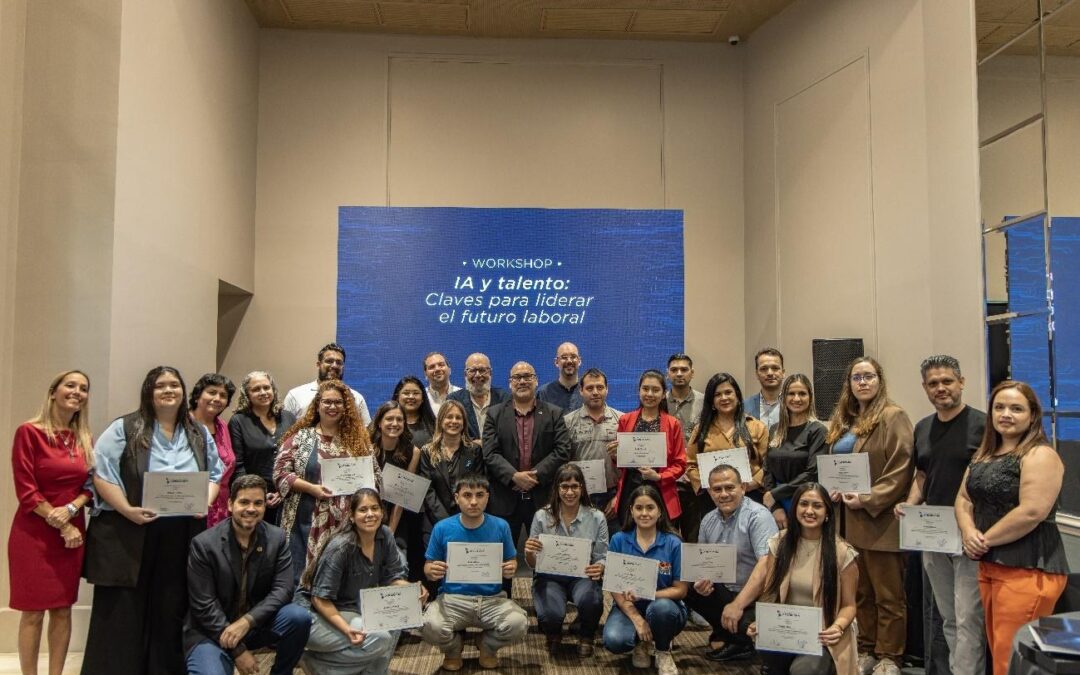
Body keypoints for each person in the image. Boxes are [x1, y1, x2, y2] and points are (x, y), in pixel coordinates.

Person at [82, 366, 224, 675]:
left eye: (175, 384)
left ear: (184, 392)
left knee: (170, 607)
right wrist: (127, 509)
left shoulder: (198, 431)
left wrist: (205, 501)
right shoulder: (125, 427)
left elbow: (215, 472)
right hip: (130, 529)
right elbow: (101, 474)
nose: (169, 390)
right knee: (123, 611)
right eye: (161, 385)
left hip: (182, 531)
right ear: (149, 391)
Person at [955, 380, 1068, 675]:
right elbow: (964, 498)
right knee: (998, 653)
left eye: (1016, 409)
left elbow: (1032, 511)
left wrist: (983, 540)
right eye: (999, 407)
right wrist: (968, 533)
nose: (1006, 414)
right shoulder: (984, 454)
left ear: (1032, 415)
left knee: (1011, 659)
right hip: (990, 565)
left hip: (1029, 568)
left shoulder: (1040, 455)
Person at [893, 356, 986, 675]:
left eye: (947, 381)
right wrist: (909, 504)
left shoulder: (982, 425)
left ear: (961, 382)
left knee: (968, 618)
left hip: (969, 535)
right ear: (925, 388)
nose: (941, 388)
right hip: (933, 536)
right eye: (933, 383)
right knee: (948, 617)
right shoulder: (922, 428)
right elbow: (922, 475)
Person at [824, 356, 912, 675]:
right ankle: (866, 648)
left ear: (879, 380)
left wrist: (868, 498)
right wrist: (831, 490)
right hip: (847, 520)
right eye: (856, 377)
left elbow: (901, 468)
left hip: (881, 520)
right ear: (848, 384)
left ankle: (890, 655)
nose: (863, 382)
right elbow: (835, 466)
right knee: (860, 592)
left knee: (888, 595)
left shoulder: (893, 416)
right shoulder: (844, 421)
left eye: (869, 376)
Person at [8, 371, 94, 675]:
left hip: (72, 532)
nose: (77, 392)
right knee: (32, 613)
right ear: (53, 391)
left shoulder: (84, 438)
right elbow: (26, 490)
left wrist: (72, 509)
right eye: (70, 385)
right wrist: (61, 522)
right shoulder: (29, 432)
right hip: (34, 532)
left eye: (83, 388)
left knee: (62, 609)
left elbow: (91, 486)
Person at [184, 475, 311, 675]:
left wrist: (247, 621)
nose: (251, 509)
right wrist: (238, 651)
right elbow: (204, 605)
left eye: (258, 503)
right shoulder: (204, 544)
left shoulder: (276, 538)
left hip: (254, 624)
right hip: (212, 631)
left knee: (299, 618)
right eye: (244, 502)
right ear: (230, 504)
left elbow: (283, 590)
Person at [295, 487, 424, 674]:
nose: (370, 514)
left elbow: (392, 578)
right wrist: (347, 629)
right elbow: (319, 599)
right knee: (380, 639)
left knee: (397, 619)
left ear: (382, 512)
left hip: (353, 608)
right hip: (318, 616)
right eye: (363, 510)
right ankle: (317, 665)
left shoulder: (385, 535)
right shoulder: (341, 547)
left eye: (375, 508)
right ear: (352, 516)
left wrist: (412, 590)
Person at [744, 482, 859, 675]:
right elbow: (771, 591)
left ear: (827, 512)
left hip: (822, 635)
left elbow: (849, 606)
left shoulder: (843, 553)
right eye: (804, 504)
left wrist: (838, 627)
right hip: (785, 630)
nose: (809, 511)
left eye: (817, 506)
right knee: (761, 642)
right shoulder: (779, 543)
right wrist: (762, 621)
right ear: (795, 508)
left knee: (803, 671)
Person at [421, 475, 528, 671]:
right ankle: (453, 650)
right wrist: (431, 571)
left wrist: (510, 567)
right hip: (453, 600)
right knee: (429, 626)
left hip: (492, 599)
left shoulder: (501, 526)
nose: (473, 501)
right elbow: (428, 567)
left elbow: (511, 559)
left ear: (488, 497)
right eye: (467, 495)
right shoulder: (442, 528)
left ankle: (487, 645)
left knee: (519, 624)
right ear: (456, 498)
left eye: (480, 495)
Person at [273, 379, 377, 581]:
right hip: (305, 521)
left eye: (338, 402)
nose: (332, 407)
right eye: (327, 402)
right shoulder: (301, 437)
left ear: (345, 407)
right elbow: (280, 473)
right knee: (303, 582)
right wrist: (311, 488)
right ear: (317, 404)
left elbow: (375, 478)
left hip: (348, 525)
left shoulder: (359, 441)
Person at [482, 361, 572, 592]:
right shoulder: (494, 414)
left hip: (542, 497)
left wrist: (535, 475)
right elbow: (489, 453)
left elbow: (563, 450)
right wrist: (514, 476)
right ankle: (501, 602)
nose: (522, 381)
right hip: (504, 499)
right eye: (517, 377)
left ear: (536, 380)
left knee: (545, 554)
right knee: (502, 557)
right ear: (510, 383)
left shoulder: (553, 413)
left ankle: (547, 603)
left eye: (527, 376)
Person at [685, 464, 777, 663]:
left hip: (758, 596)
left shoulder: (758, 516)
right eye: (717, 489)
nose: (724, 494)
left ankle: (739, 640)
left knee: (747, 626)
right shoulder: (708, 520)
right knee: (688, 587)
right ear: (709, 492)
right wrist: (703, 582)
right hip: (726, 589)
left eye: (729, 487)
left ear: (743, 487)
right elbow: (704, 563)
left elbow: (765, 565)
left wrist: (737, 605)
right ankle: (727, 633)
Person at [603, 485, 688, 675]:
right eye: (639, 508)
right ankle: (642, 642)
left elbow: (681, 590)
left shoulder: (674, 542)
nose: (644, 513)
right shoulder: (618, 539)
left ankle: (663, 649)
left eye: (650, 507)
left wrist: (646, 594)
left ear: (660, 511)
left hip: (665, 606)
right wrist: (636, 618)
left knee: (662, 609)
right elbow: (614, 587)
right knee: (615, 640)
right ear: (631, 511)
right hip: (628, 606)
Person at [523, 464, 608, 655]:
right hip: (549, 577)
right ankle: (553, 634)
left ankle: (586, 635)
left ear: (582, 488)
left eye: (575, 486)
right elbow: (533, 564)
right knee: (550, 615)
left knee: (591, 601)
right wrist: (528, 552)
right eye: (564, 487)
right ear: (557, 489)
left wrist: (600, 567)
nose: (570, 492)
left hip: (582, 577)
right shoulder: (541, 516)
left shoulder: (597, 517)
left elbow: (602, 556)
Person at [686, 373, 768, 520]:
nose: (724, 398)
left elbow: (768, 464)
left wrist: (753, 483)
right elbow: (690, 464)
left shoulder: (757, 427)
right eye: (718, 394)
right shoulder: (701, 430)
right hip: (712, 501)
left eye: (728, 392)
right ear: (712, 401)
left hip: (750, 496)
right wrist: (709, 486)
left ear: (737, 396)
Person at [612, 370, 687, 528]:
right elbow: (620, 463)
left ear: (663, 393)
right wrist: (615, 455)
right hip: (630, 489)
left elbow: (680, 464)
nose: (650, 394)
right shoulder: (625, 420)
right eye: (645, 389)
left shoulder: (673, 424)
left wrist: (659, 476)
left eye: (655, 389)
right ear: (639, 391)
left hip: (661, 490)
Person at [229, 371, 296, 526]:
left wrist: (283, 490)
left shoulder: (288, 417)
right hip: (254, 501)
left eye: (266, 387)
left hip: (288, 496)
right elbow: (238, 465)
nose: (263, 392)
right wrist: (258, 495)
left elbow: (297, 457)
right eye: (256, 389)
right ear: (247, 394)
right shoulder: (238, 421)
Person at [763, 374, 827, 530]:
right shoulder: (775, 430)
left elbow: (813, 472)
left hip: (805, 503)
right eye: (791, 394)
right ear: (783, 397)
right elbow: (768, 469)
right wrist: (775, 506)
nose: (796, 399)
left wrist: (775, 494)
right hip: (776, 505)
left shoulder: (818, 430)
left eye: (802, 394)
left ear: (810, 397)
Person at [368, 401, 424, 579]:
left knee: (398, 567)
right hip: (366, 516)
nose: (394, 424)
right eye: (389, 419)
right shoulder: (366, 447)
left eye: (399, 419)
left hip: (396, 519)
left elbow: (402, 497)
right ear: (379, 422)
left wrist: (389, 532)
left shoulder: (413, 452)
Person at [419, 399, 482, 542]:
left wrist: (463, 519)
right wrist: (446, 522)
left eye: (458, 417)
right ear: (441, 420)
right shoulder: (427, 451)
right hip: (435, 524)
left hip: (468, 521)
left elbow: (478, 486)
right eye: (449, 417)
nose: (454, 421)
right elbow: (427, 490)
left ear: (464, 422)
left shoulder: (475, 451)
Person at [562, 367, 622, 517]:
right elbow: (562, 462)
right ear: (581, 391)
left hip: (614, 496)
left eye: (600, 387)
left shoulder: (622, 420)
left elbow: (631, 468)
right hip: (579, 496)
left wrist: (619, 497)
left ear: (607, 390)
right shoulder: (567, 422)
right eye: (590, 388)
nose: (595, 392)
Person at [283, 343, 371, 425]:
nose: (334, 365)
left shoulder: (357, 399)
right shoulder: (295, 395)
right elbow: (285, 431)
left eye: (339, 362)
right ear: (318, 364)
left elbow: (366, 432)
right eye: (329, 361)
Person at [190, 373, 237, 527]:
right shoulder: (183, 425)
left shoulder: (222, 426)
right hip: (190, 505)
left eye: (223, 395)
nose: (217, 398)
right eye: (211, 392)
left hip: (221, 508)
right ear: (198, 395)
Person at [446, 352, 510, 440]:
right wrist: (473, 444)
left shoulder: (504, 398)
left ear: (490, 373)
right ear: (465, 374)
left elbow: (510, 432)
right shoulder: (454, 400)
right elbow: (449, 433)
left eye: (482, 370)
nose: (477, 375)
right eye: (472, 371)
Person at [744, 348, 785, 430]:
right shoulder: (744, 407)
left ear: (783, 373)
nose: (770, 373)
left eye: (775, 368)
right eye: (764, 369)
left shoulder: (794, 405)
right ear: (756, 374)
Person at [391, 375, 436, 450]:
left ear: (423, 398)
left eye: (416, 393)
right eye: (406, 393)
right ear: (397, 397)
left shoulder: (435, 425)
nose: (411, 397)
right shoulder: (386, 423)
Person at [536, 341, 584, 411]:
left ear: (579, 361)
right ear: (556, 362)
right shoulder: (543, 394)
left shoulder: (588, 391)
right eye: (564, 357)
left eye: (573, 357)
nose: (569, 361)